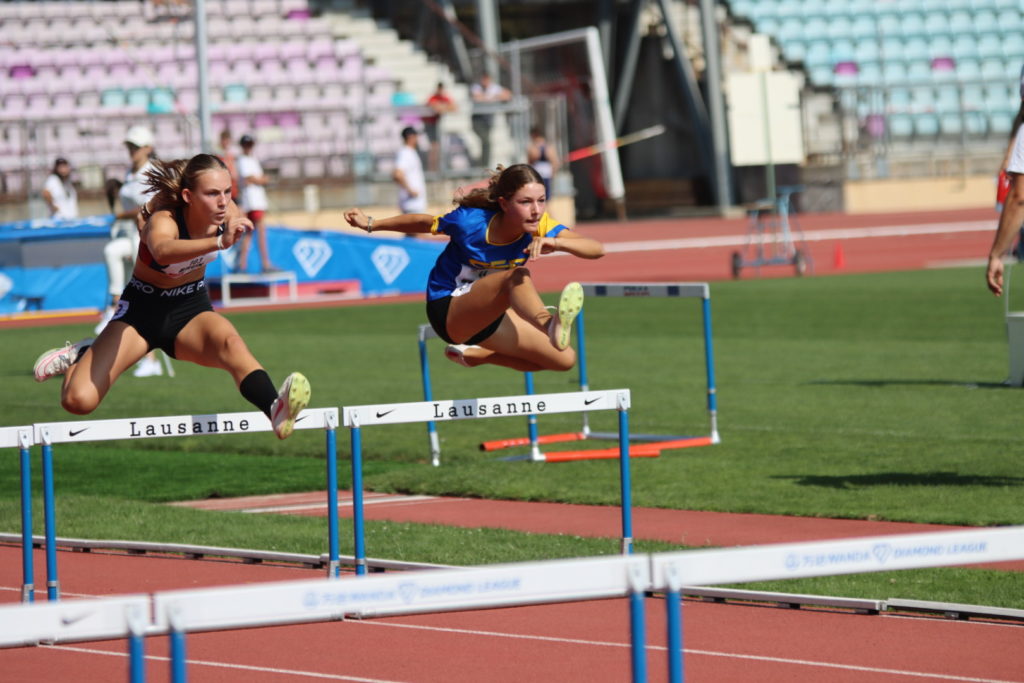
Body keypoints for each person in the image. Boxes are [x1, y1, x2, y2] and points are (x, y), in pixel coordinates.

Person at [32, 153, 310, 440]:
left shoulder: (226, 211)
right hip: (140, 315)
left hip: (190, 308)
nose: (223, 201)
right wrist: (217, 241)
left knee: (231, 345)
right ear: (188, 195)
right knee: (78, 402)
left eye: (227, 192)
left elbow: (234, 216)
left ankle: (275, 409)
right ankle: (84, 354)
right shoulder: (164, 220)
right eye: (213, 193)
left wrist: (234, 222)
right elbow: (163, 250)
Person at [343, 164, 603, 372]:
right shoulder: (471, 223)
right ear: (503, 203)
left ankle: (477, 357)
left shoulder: (541, 225)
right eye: (525, 202)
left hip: (487, 316)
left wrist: (556, 242)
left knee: (564, 360)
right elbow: (424, 222)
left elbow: (596, 249)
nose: (535, 211)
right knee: (516, 276)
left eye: (541, 200)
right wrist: (371, 224)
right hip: (448, 309)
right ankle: (549, 324)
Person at [235, 134, 277, 273]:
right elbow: (250, 179)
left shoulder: (251, 160)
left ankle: (242, 265)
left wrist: (260, 179)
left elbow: (252, 179)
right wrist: (263, 179)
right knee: (259, 232)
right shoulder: (243, 160)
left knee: (249, 234)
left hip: (255, 200)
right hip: (252, 201)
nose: (249, 147)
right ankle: (265, 264)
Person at [470, 73, 511, 169]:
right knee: (486, 142)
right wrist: (493, 97)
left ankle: (484, 164)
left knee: (486, 142)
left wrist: (489, 97)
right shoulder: (476, 87)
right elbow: (477, 98)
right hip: (478, 120)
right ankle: (484, 165)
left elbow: (507, 95)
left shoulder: (494, 88)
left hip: (488, 120)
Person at [423, 82, 456, 172]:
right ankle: (432, 169)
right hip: (430, 124)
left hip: (436, 125)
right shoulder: (433, 97)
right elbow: (435, 107)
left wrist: (443, 107)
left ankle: (436, 168)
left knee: (438, 147)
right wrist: (444, 107)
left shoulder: (443, 97)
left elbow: (454, 107)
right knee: (434, 147)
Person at [394, 126, 427, 214]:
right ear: (411, 137)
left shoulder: (410, 152)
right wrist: (410, 190)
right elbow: (397, 174)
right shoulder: (405, 153)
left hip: (414, 203)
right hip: (411, 203)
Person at [527, 127, 560, 200]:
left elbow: (529, 163)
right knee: (545, 198)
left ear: (533, 135)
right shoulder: (549, 147)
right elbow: (555, 163)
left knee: (537, 196)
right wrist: (552, 174)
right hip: (546, 175)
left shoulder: (533, 147)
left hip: (537, 175)